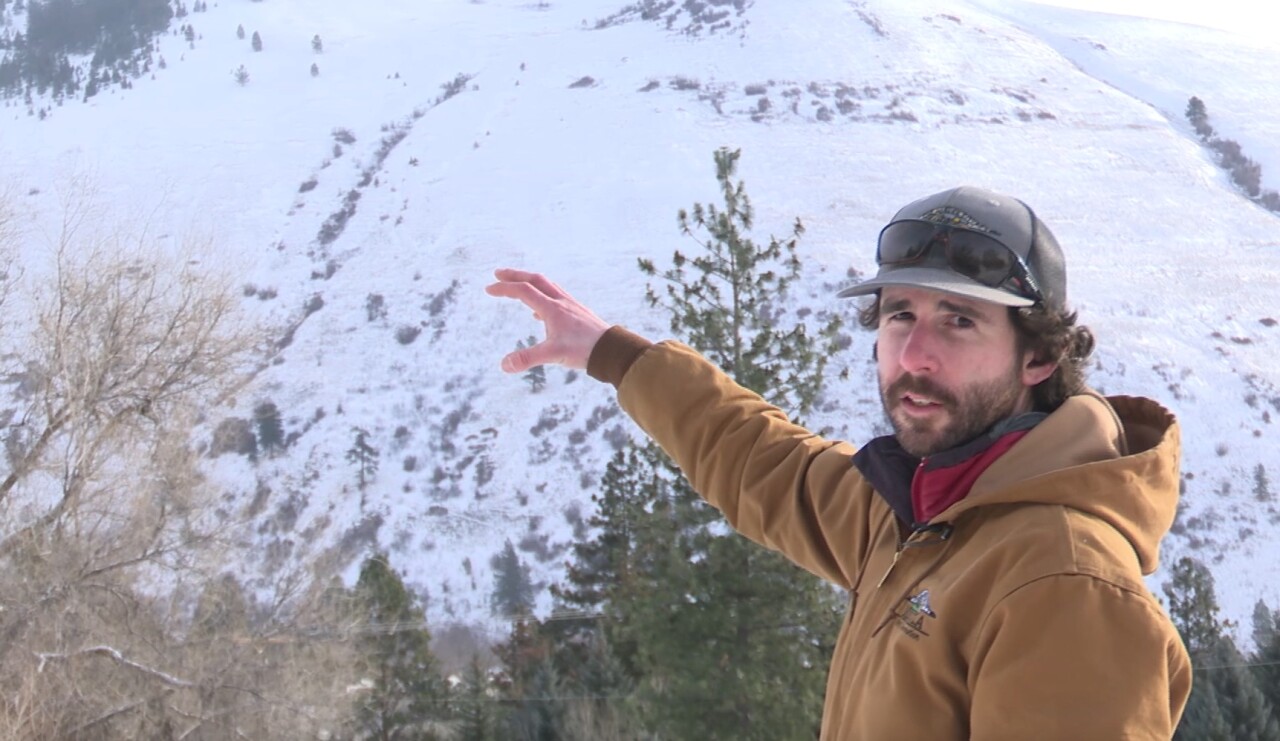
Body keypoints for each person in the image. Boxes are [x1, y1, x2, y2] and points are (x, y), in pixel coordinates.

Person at [485, 185, 1191, 739]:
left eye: (960, 320)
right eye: (898, 315)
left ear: (1039, 355)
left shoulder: (1063, 581)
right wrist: (610, 352)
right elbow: (764, 462)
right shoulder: (921, 517)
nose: (915, 355)